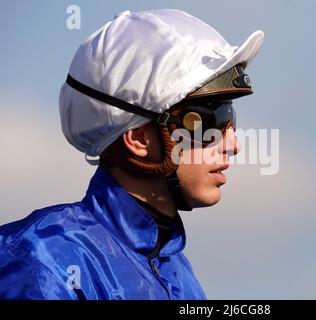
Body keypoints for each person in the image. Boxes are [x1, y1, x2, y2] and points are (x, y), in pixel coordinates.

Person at [0, 9, 263, 299]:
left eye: (231, 118)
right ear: (138, 139)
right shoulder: (41, 262)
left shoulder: (179, 271)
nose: (232, 144)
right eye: (207, 121)